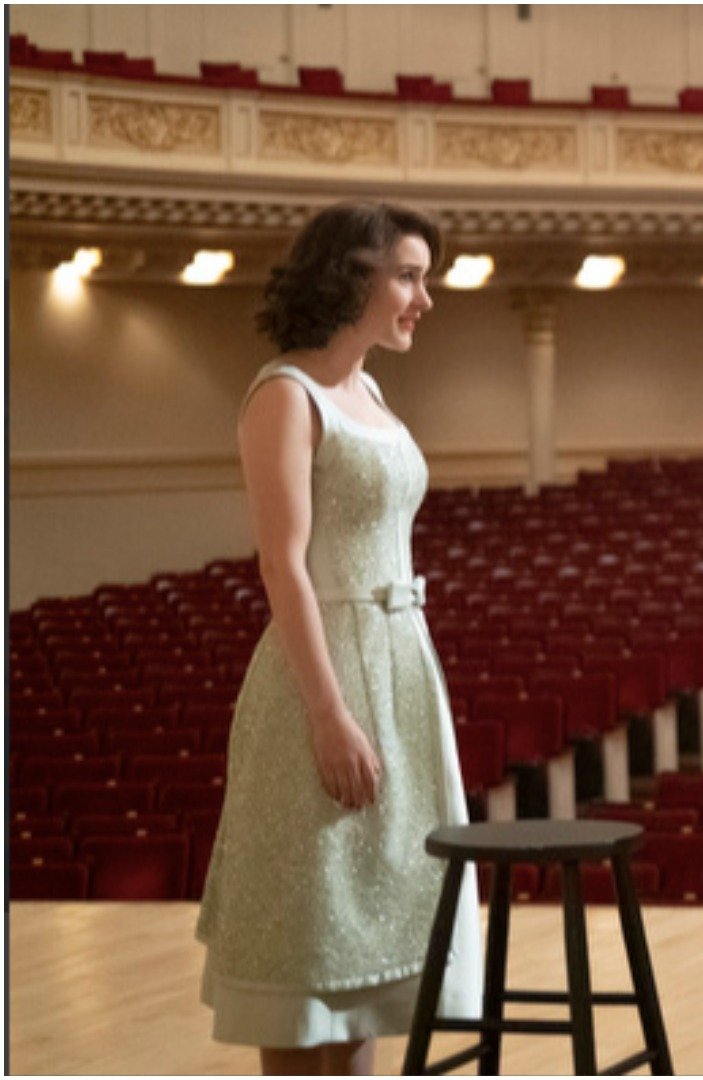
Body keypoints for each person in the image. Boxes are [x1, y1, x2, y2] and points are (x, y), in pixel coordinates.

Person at [197, 202, 481, 1075]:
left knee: (365, 964)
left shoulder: (371, 390)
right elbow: (283, 566)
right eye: (407, 275)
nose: (423, 298)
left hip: (398, 670)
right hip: (322, 682)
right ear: (350, 275)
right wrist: (328, 715)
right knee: (311, 943)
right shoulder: (285, 393)